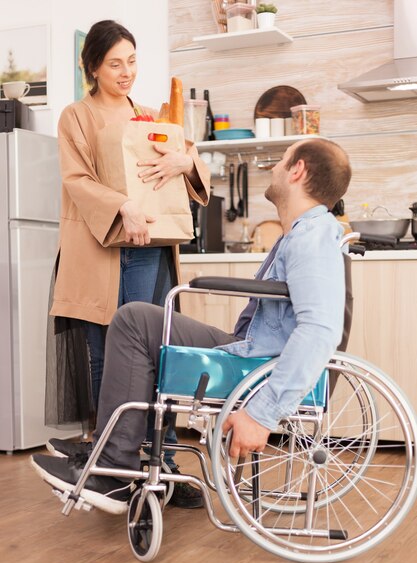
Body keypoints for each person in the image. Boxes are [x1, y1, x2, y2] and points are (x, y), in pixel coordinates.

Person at [32, 138, 352, 515]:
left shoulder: (312, 236)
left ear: (297, 170)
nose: (274, 168)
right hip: (251, 351)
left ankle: (115, 468)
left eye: (281, 161)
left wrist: (261, 414)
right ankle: (110, 451)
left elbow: (319, 329)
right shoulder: (304, 232)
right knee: (141, 320)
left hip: (258, 369)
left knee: (136, 320)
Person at [44, 19, 210, 508]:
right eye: (115, 63)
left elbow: (191, 163)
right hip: (102, 252)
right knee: (109, 359)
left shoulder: (152, 113)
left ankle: (167, 464)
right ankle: (114, 464)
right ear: (92, 66)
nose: (126, 72)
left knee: (161, 354)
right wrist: (123, 205)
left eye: (132, 61)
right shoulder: (76, 117)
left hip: (152, 250)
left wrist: (185, 161)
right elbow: (76, 179)